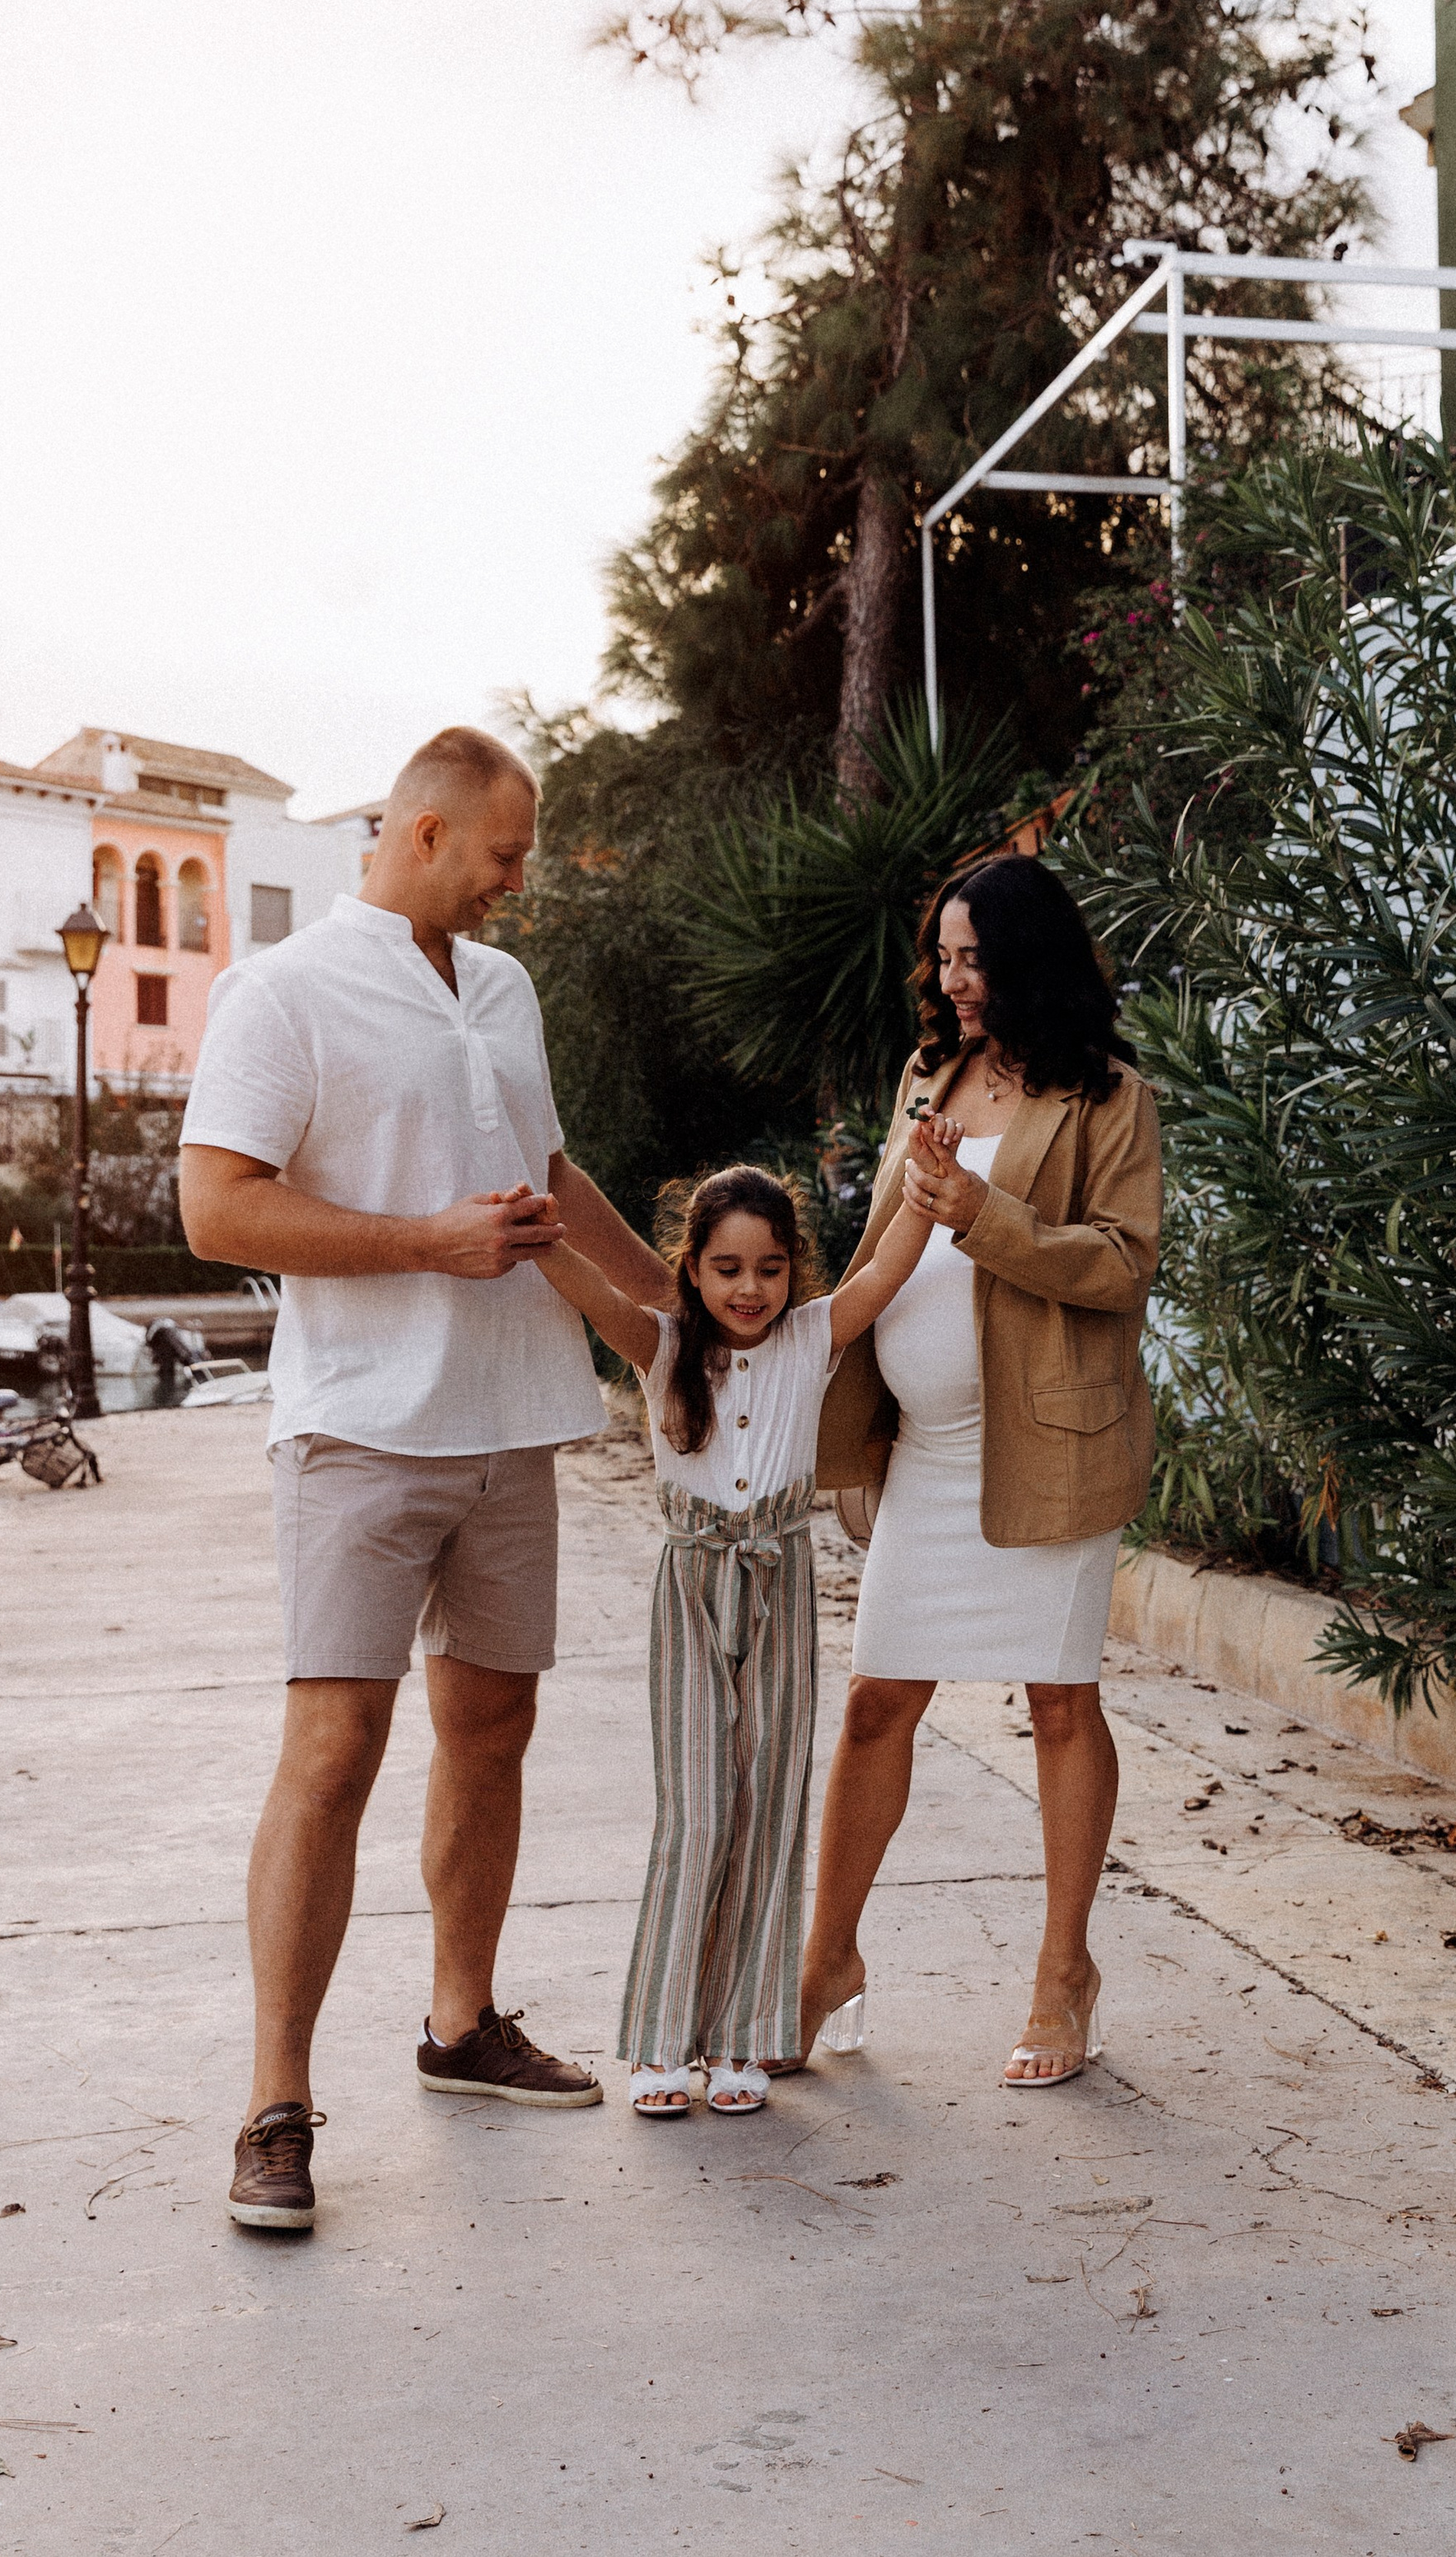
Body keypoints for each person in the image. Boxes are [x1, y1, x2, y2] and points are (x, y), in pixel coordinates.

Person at [178, 725, 674, 2231]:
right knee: (332, 1751)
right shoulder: (282, 989)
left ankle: (462, 2024)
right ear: (420, 831)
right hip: (358, 1430)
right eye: (505, 855)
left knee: (494, 1728)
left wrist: (675, 1324)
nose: (519, 883)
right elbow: (216, 1207)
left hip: (511, 1418)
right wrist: (423, 1242)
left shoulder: (504, 987)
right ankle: (276, 2102)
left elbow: (553, 1173)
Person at [803, 853, 1160, 2089]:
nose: (952, 981)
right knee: (873, 1704)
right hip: (930, 1449)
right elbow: (885, 1239)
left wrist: (979, 1214)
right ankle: (827, 1958)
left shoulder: (1111, 1097)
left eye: (973, 958)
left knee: (1058, 1703)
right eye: (944, 956)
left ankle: (1065, 1973)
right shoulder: (928, 1073)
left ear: (1028, 960)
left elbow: (1121, 1267)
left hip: (1049, 1445)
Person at [533, 1162, 935, 2114]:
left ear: (793, 1270)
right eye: (726, 1269)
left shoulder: (812, 1336)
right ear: (693, 1270)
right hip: (692, 1584)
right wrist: (538, 1228)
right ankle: (664, 2042)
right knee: (699, 1810)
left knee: (767, 1810)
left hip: (780, 1581)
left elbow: (885, 1275)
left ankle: (747, 2038)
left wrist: (931, 1189)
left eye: (769, 1268)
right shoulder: (661, 1343)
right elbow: (589, 1287)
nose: (749, 1289)